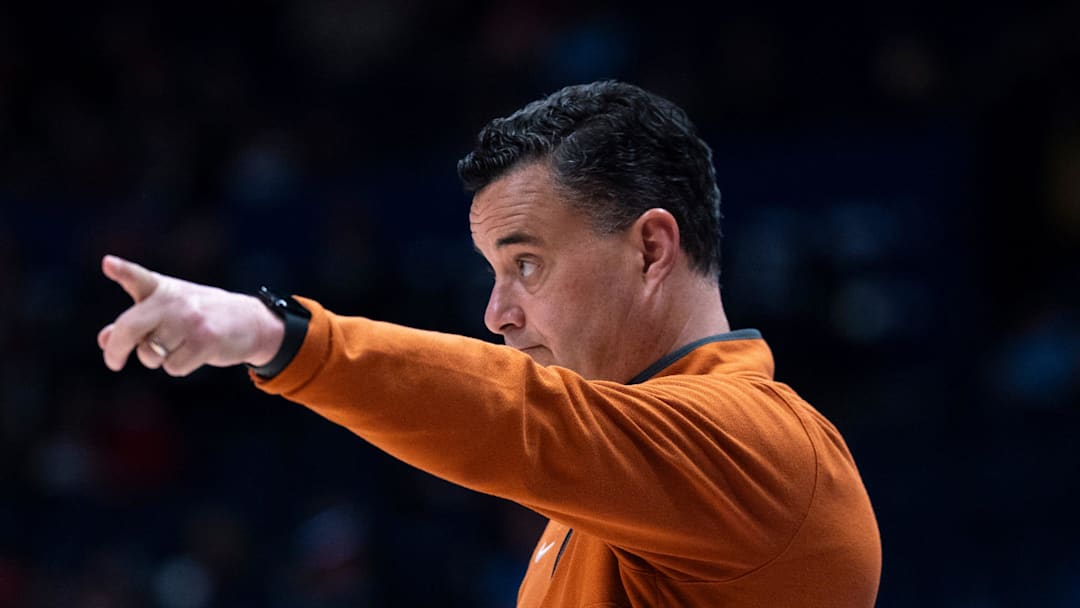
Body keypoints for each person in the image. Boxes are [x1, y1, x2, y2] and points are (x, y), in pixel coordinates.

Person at [98, 81, 881, 607]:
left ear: (650, 250)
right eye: (494, 272)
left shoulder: (769, 450)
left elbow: (523, 417)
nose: (496, 313)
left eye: (526, 265)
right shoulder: (615, 492)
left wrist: (280, 337)